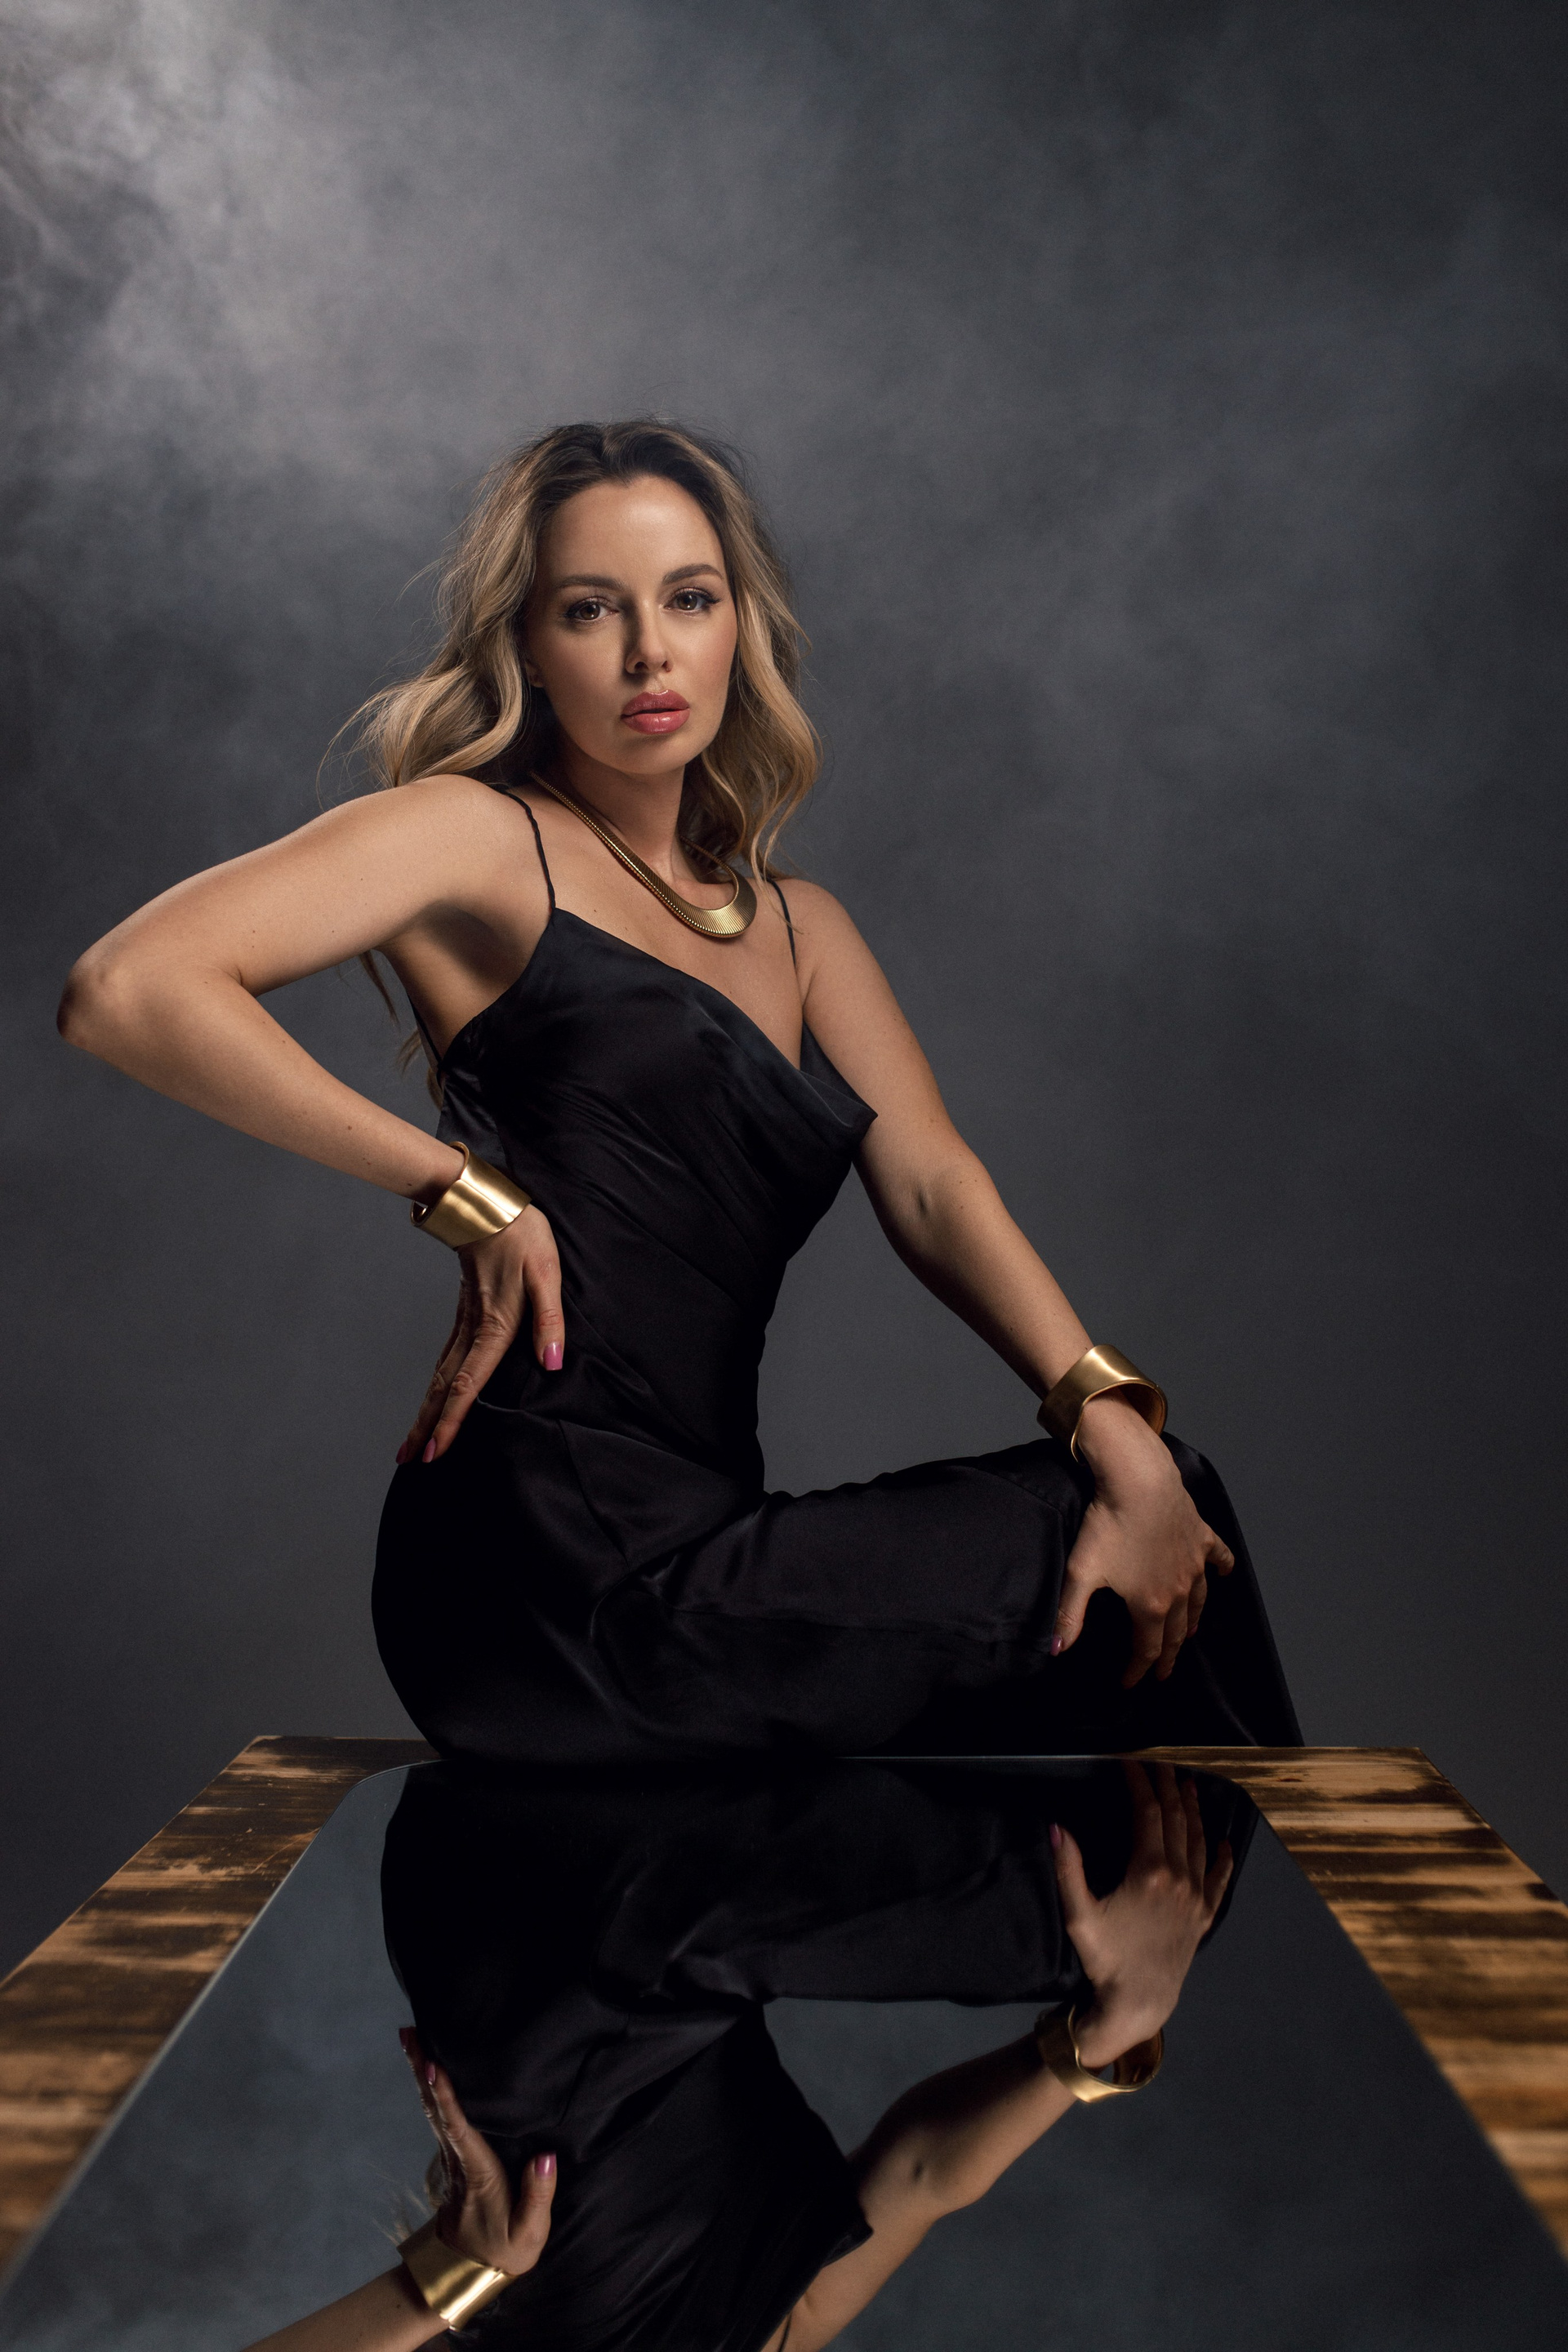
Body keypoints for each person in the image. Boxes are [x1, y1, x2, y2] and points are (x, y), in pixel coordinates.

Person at [57, 418, 1298, 1763]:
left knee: (1150, 1497)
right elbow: (127, 989)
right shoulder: (480, 837)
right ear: (528, 647)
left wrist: (1107, 1414)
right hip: (541, 1575)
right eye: (592, 610)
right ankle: (1211, 1899)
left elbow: (937, 1189)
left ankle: (1147, 1899)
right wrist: (461, 1189)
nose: (651, 652)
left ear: (737, 626)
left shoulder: (803, 929)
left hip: (706, 1539)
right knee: (1134, 1521)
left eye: (689, 600)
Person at [240, 1759, 1245, 2352]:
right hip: (632, 1895)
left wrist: (449, 2277)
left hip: (540, 1961)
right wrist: (1100, 2044)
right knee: (1167, 1878)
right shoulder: (778, 2332)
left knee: (1111, 1878)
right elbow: (920, 2174)